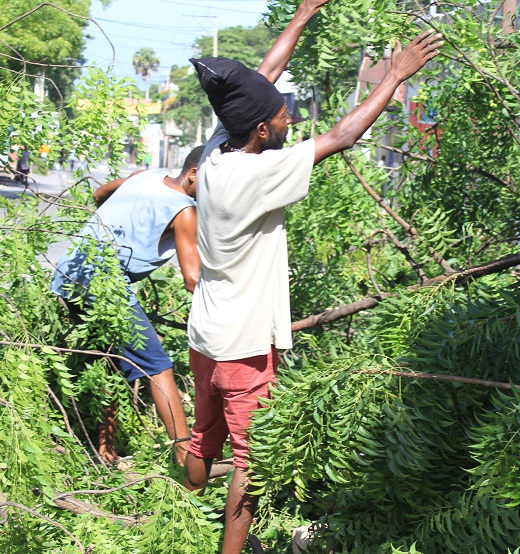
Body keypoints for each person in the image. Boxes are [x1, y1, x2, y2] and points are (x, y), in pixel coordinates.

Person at [181, 0, 443, 550]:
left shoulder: (218, 151)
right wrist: (394, 76)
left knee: (203, 434)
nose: (289, 120)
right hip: (241, 346)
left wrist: (303, 13)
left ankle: (184, 502)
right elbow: (342, 136)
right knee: (251, 462)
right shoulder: (253, 175)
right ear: (261, 129)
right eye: (282, 118)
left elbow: (264, 78)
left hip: (204, 334)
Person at [50, 145, 205, 465]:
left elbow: (98, 193)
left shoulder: (144, 176)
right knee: (158, 366)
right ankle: (186, 461)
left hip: (70, 272)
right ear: (193, 175)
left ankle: (105, 452)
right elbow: (192, 279)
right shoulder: (183, 209)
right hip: (103, 284)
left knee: (114, 361)